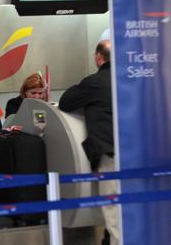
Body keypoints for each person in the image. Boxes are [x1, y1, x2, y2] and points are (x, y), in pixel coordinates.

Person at [58, 40, 117, 245]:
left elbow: (66, 102)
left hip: (112, 156)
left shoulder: (96, 82)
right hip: (138, 154)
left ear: (98, 58)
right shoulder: (133, 79)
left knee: (114, 208)